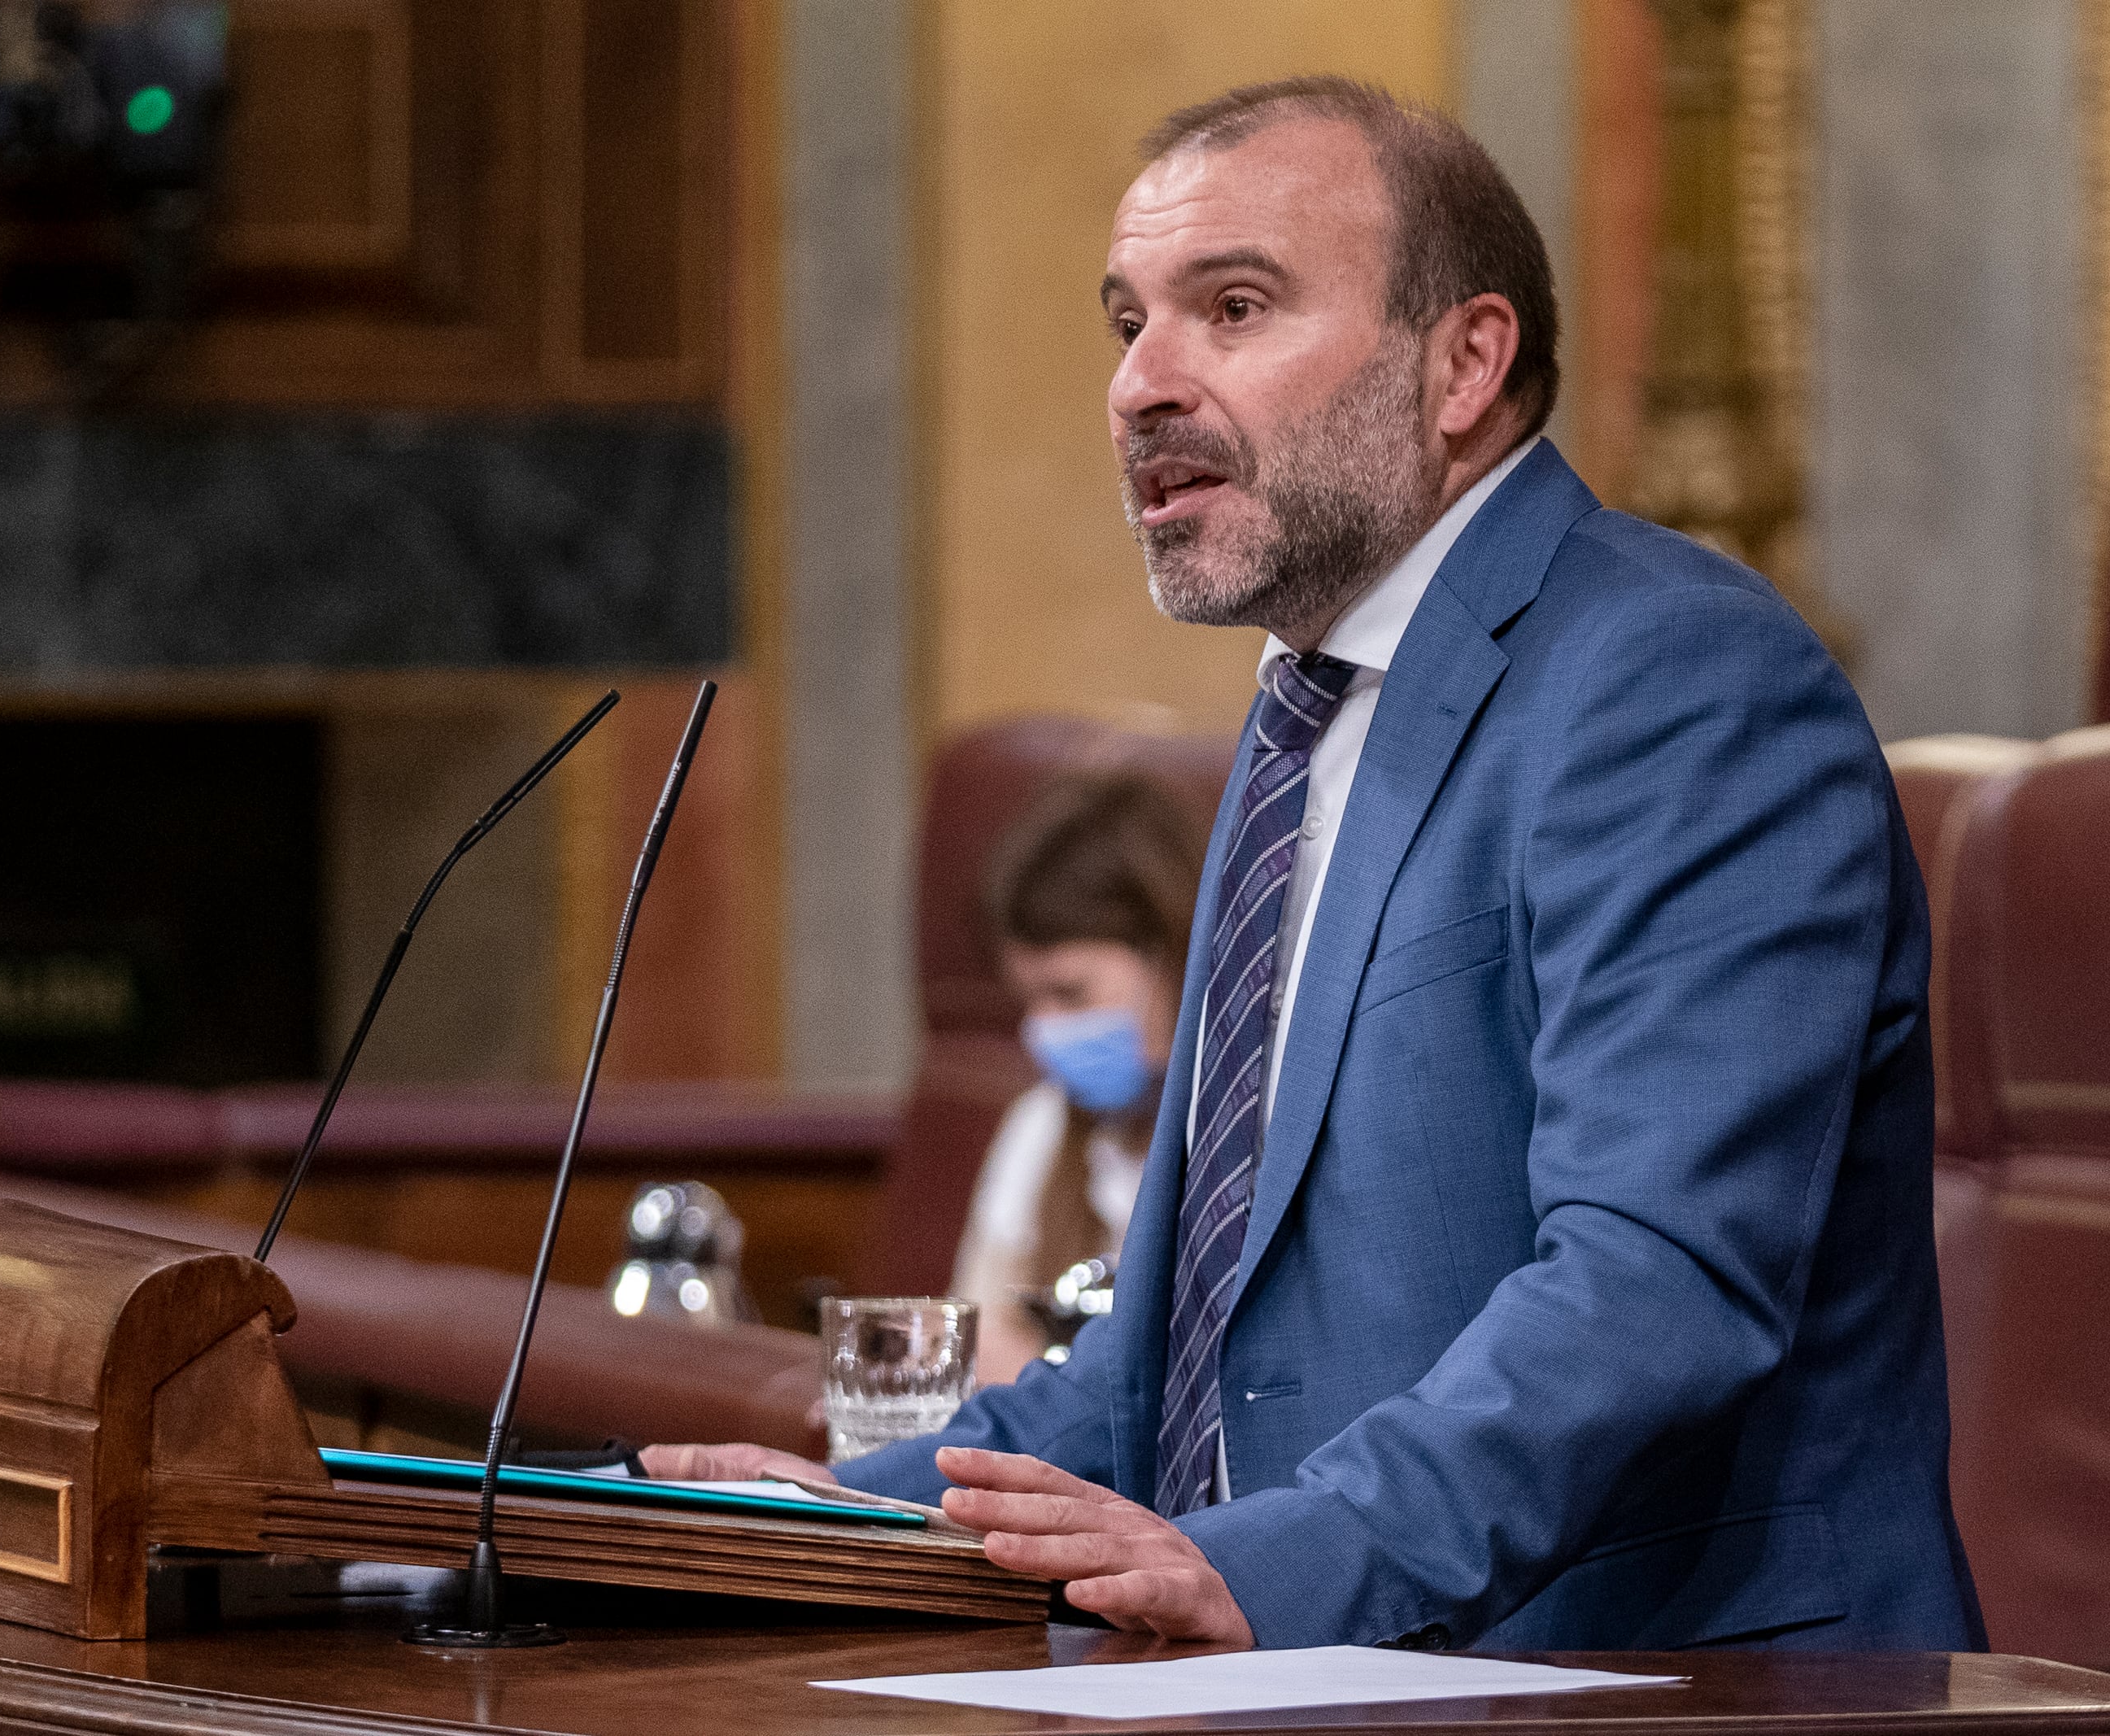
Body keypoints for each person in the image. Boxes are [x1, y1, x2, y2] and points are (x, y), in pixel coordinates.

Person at [648, 75, 1985, 1657]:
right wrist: (836, 1518)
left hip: (1662, 1678)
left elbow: (1654, 1280)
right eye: (1124, 322)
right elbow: (1168, 1358)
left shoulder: (1673, 678)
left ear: (1462, 362)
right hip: (1356, 1665)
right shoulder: (1304, 720)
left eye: (1232, 306)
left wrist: (1279, 1564)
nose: (1142, 383)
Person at [954, 772, 1205, 1383]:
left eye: (1070, 993)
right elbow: (972, 1345)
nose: (1041, 1031)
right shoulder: (1041, 1125)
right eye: (1028, 1000)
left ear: (1175, 954)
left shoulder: (1256, 1134)